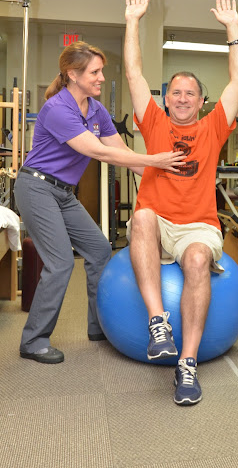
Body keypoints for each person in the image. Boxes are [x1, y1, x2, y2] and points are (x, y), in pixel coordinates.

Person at [14, 41, 186, 365]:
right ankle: (33, 340)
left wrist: (166, 179)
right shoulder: (57, 108)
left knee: (99, 249)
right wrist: (157, 160)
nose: (102, 77)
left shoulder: (96, 110)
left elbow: (123, 154)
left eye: (101, 71)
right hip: (35, 189)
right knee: (61, 261)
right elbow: (98, 152)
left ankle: (98, 327)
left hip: (64, 193)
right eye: (95, 72)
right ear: (72, 74)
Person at [124, 0, 238, 405]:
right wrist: (133, 21)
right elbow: (134, 75)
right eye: (174, 92)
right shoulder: (153, 123)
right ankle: (159, 323)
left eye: (189, 93)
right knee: (141, 217)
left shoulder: (214, 128)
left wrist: (232, 29)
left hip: (199, 226)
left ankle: (188, 364)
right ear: (166, 98)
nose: (181, 98)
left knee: (196, 259)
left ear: (200, 101)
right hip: (157, 223)